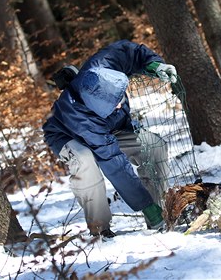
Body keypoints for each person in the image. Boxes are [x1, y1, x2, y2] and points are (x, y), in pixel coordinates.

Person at [43, 40, 178, 237]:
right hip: (67, 135)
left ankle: (159, 215)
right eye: (115, 103)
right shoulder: (83, 119)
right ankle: (100, 229)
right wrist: (143, 204)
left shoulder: (103, 66)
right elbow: (113, 161)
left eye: (121, 97)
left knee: (153, 146)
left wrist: (153, 63)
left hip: (108, 129)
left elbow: (126, 51)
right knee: (85, 163)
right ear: (98, 106)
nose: (120, 104)